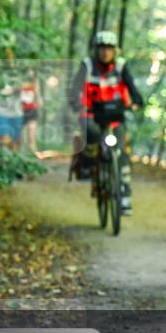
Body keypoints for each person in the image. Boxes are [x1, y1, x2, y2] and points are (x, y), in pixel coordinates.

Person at [68, 30, 144, 214]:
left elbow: (132, 87)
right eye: (101, 48)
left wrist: (136, 102)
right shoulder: (87, 65)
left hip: (114, 116)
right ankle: (88, 164)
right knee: (91, 133)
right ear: (96, 49)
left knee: (122, 153)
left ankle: (124, 196)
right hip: (91, 114)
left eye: (109, 48)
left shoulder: (120, 66)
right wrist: (76, 104)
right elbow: (74, 90)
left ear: (115, 51)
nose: (105, 52)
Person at [20, 69, 41, 155]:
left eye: (31, 74)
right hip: (20, 110)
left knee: (31, 133)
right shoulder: (19, 83)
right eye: (28, 74)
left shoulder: (35, 83)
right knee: (21, 134)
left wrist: (39, 100)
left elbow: (38, 95)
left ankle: (33, 153)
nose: (30, 76)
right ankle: (21, 153)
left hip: (32, 109)